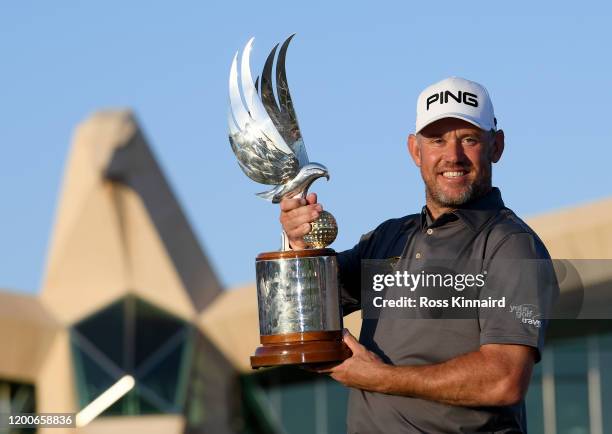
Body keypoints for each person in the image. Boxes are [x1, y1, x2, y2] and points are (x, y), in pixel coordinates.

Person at [279, 77, 556, 433]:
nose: (452, 156)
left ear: (496, 146)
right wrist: (298, 242)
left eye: (468, 139)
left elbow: (504, 378)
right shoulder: (389, 239)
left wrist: (380, 378)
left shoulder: (512, 245)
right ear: (415, 150)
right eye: (437, 140)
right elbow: (304, 309)